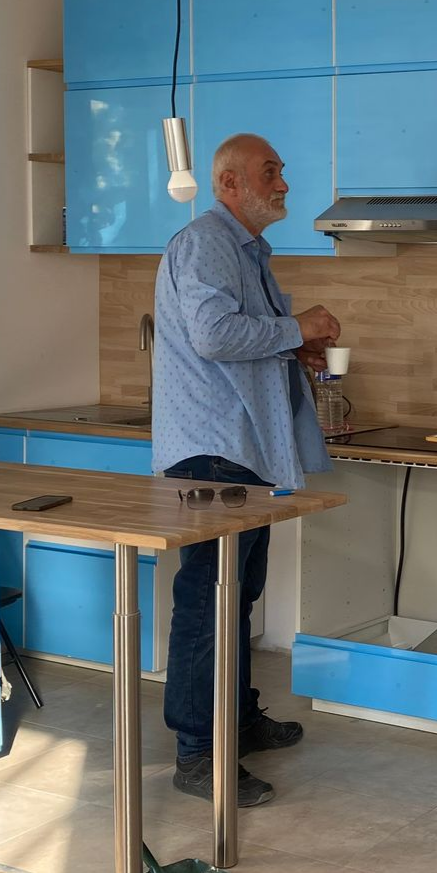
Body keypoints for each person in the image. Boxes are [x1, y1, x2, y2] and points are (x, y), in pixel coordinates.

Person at [152, 133, 341, 806]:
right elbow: (212, 336)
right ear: (229, 183)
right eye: (271, 172)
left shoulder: (248, 252)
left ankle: (237, 720)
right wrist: (298, 326)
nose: (285, 183)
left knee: (236, 594)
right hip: (212, 450)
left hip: (240, 449)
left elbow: (240, 338)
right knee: (210, 598)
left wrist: (296, 348)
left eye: (282, 171)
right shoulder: (205, 242)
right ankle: (198, 753)